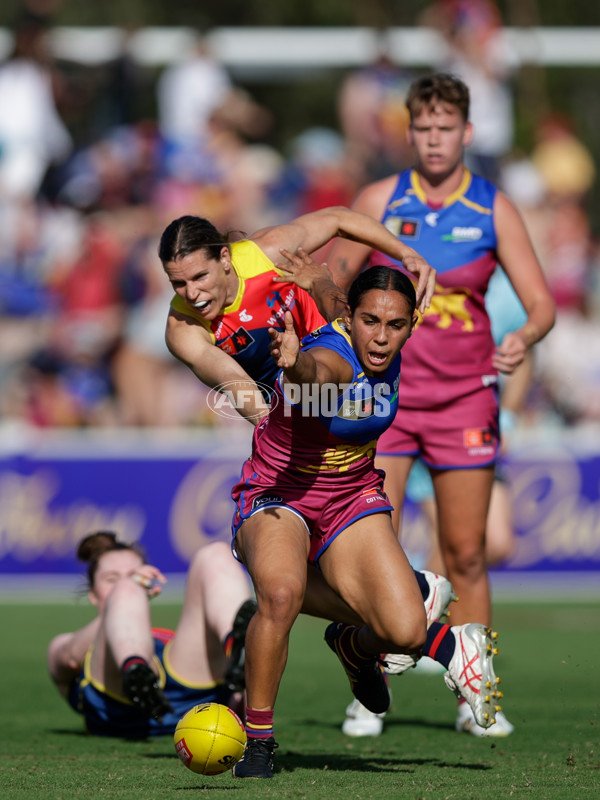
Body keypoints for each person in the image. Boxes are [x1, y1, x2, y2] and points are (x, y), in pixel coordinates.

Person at [327, 73, 555, 738]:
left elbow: (540, 303)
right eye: (423, 129)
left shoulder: (492, 207)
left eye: (445, 129)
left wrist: (522, 337)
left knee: (467, 553)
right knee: (376, 550)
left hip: (465, 400)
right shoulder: (379, 198)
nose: (433, 140)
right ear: (409, 132)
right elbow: (332, 283)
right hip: (386, 402)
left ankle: (474, 695)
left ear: (467, 133)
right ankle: (369, 690)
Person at [229, 266, 504, 779]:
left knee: (402, 632)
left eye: (395, 325)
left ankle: (352, 646)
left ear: (412, 322)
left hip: (351, 495)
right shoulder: (333, 355)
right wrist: (295, 364)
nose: (380, 337)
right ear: (351, 320)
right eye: (370, 321)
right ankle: (260, 741)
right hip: (280, 493)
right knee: (282, 596)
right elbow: (319, 371)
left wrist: (317, 278)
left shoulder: (368, 325)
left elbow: (333, 294)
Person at [159, 206, 436, 428]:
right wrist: (274, 436)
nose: (192, 294)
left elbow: (338, 218)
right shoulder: (183, 329)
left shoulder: (267, 252)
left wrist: (406, 254)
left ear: (224, 258)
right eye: (178, 284)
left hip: (348, 374)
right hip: (292, 410)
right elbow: (236, 383)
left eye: (200, 277)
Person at [47, 531, 256, 738]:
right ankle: (136, 673)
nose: (127, 582)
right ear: (92, 593)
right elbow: (68, 657)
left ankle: (239, 647)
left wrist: (245, 693)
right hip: (116, 704)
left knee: (216, 554)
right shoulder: (77, 645)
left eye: (135, 574)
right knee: (125, 590)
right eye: (111, 579)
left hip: (195, 701)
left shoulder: (166, 640)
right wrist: (127, 589)